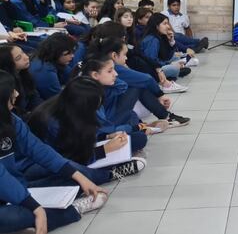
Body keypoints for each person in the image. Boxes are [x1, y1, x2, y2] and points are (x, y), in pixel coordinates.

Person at [0, 71, 108, 234]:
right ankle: (69, 212)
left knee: (76, 181)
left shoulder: (10, 119)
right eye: (11, 90)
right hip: (8, 194)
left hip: (18, 186)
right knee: (13, 217)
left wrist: (79, 177)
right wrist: (34, 207)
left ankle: (29, 224)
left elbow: (38, 149)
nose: (16, 94)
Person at [26, 77, 146, 185]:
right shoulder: (54, 123)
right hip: (45, 164)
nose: (96, 110)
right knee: (74, 174)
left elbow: (84, 139)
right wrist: (105, 149)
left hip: (77, 153)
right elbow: (69, 158)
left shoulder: (70, 108)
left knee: (138, 138)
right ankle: (109, 174)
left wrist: (106, 137)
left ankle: (110, 165)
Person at [90, 37, 190, 128]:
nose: (126, 58)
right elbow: (146, 79)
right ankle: (163, 117)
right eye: (124, 54)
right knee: (138, 86)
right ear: (114, 55)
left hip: (108, 114)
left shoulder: (96, 63)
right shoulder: (113, 68)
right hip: (106, 121)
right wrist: (160, 95)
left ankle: (141, 125)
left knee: (138, 86)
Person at [140, 13, 190, 81]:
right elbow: (151, 60)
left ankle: (172, 73)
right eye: (165, 24)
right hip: (151, 70)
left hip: (158, 65)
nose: (168, 27)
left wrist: (171, 41)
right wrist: (169, 64)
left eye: (168, 23)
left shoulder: (159, 36)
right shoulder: (152, 39)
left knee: (175, 58)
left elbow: (167, 56)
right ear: (156, 26)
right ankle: (173, 73)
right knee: (174, 69)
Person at [29, 33, 77, 100]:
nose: (72, 56)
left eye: (72, 52)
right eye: (67, 54)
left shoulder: (48, 58)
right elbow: (58, 100)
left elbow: (71, 75)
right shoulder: (45, 71)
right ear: (55, 53)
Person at [0, 44, 41, 119]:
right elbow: (15, 116)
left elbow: (35, 97)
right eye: (18, 58)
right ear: (7, 64)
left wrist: (42, 111)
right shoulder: (6, 87)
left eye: (23, 52)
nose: (26, 57)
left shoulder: (24, 73)